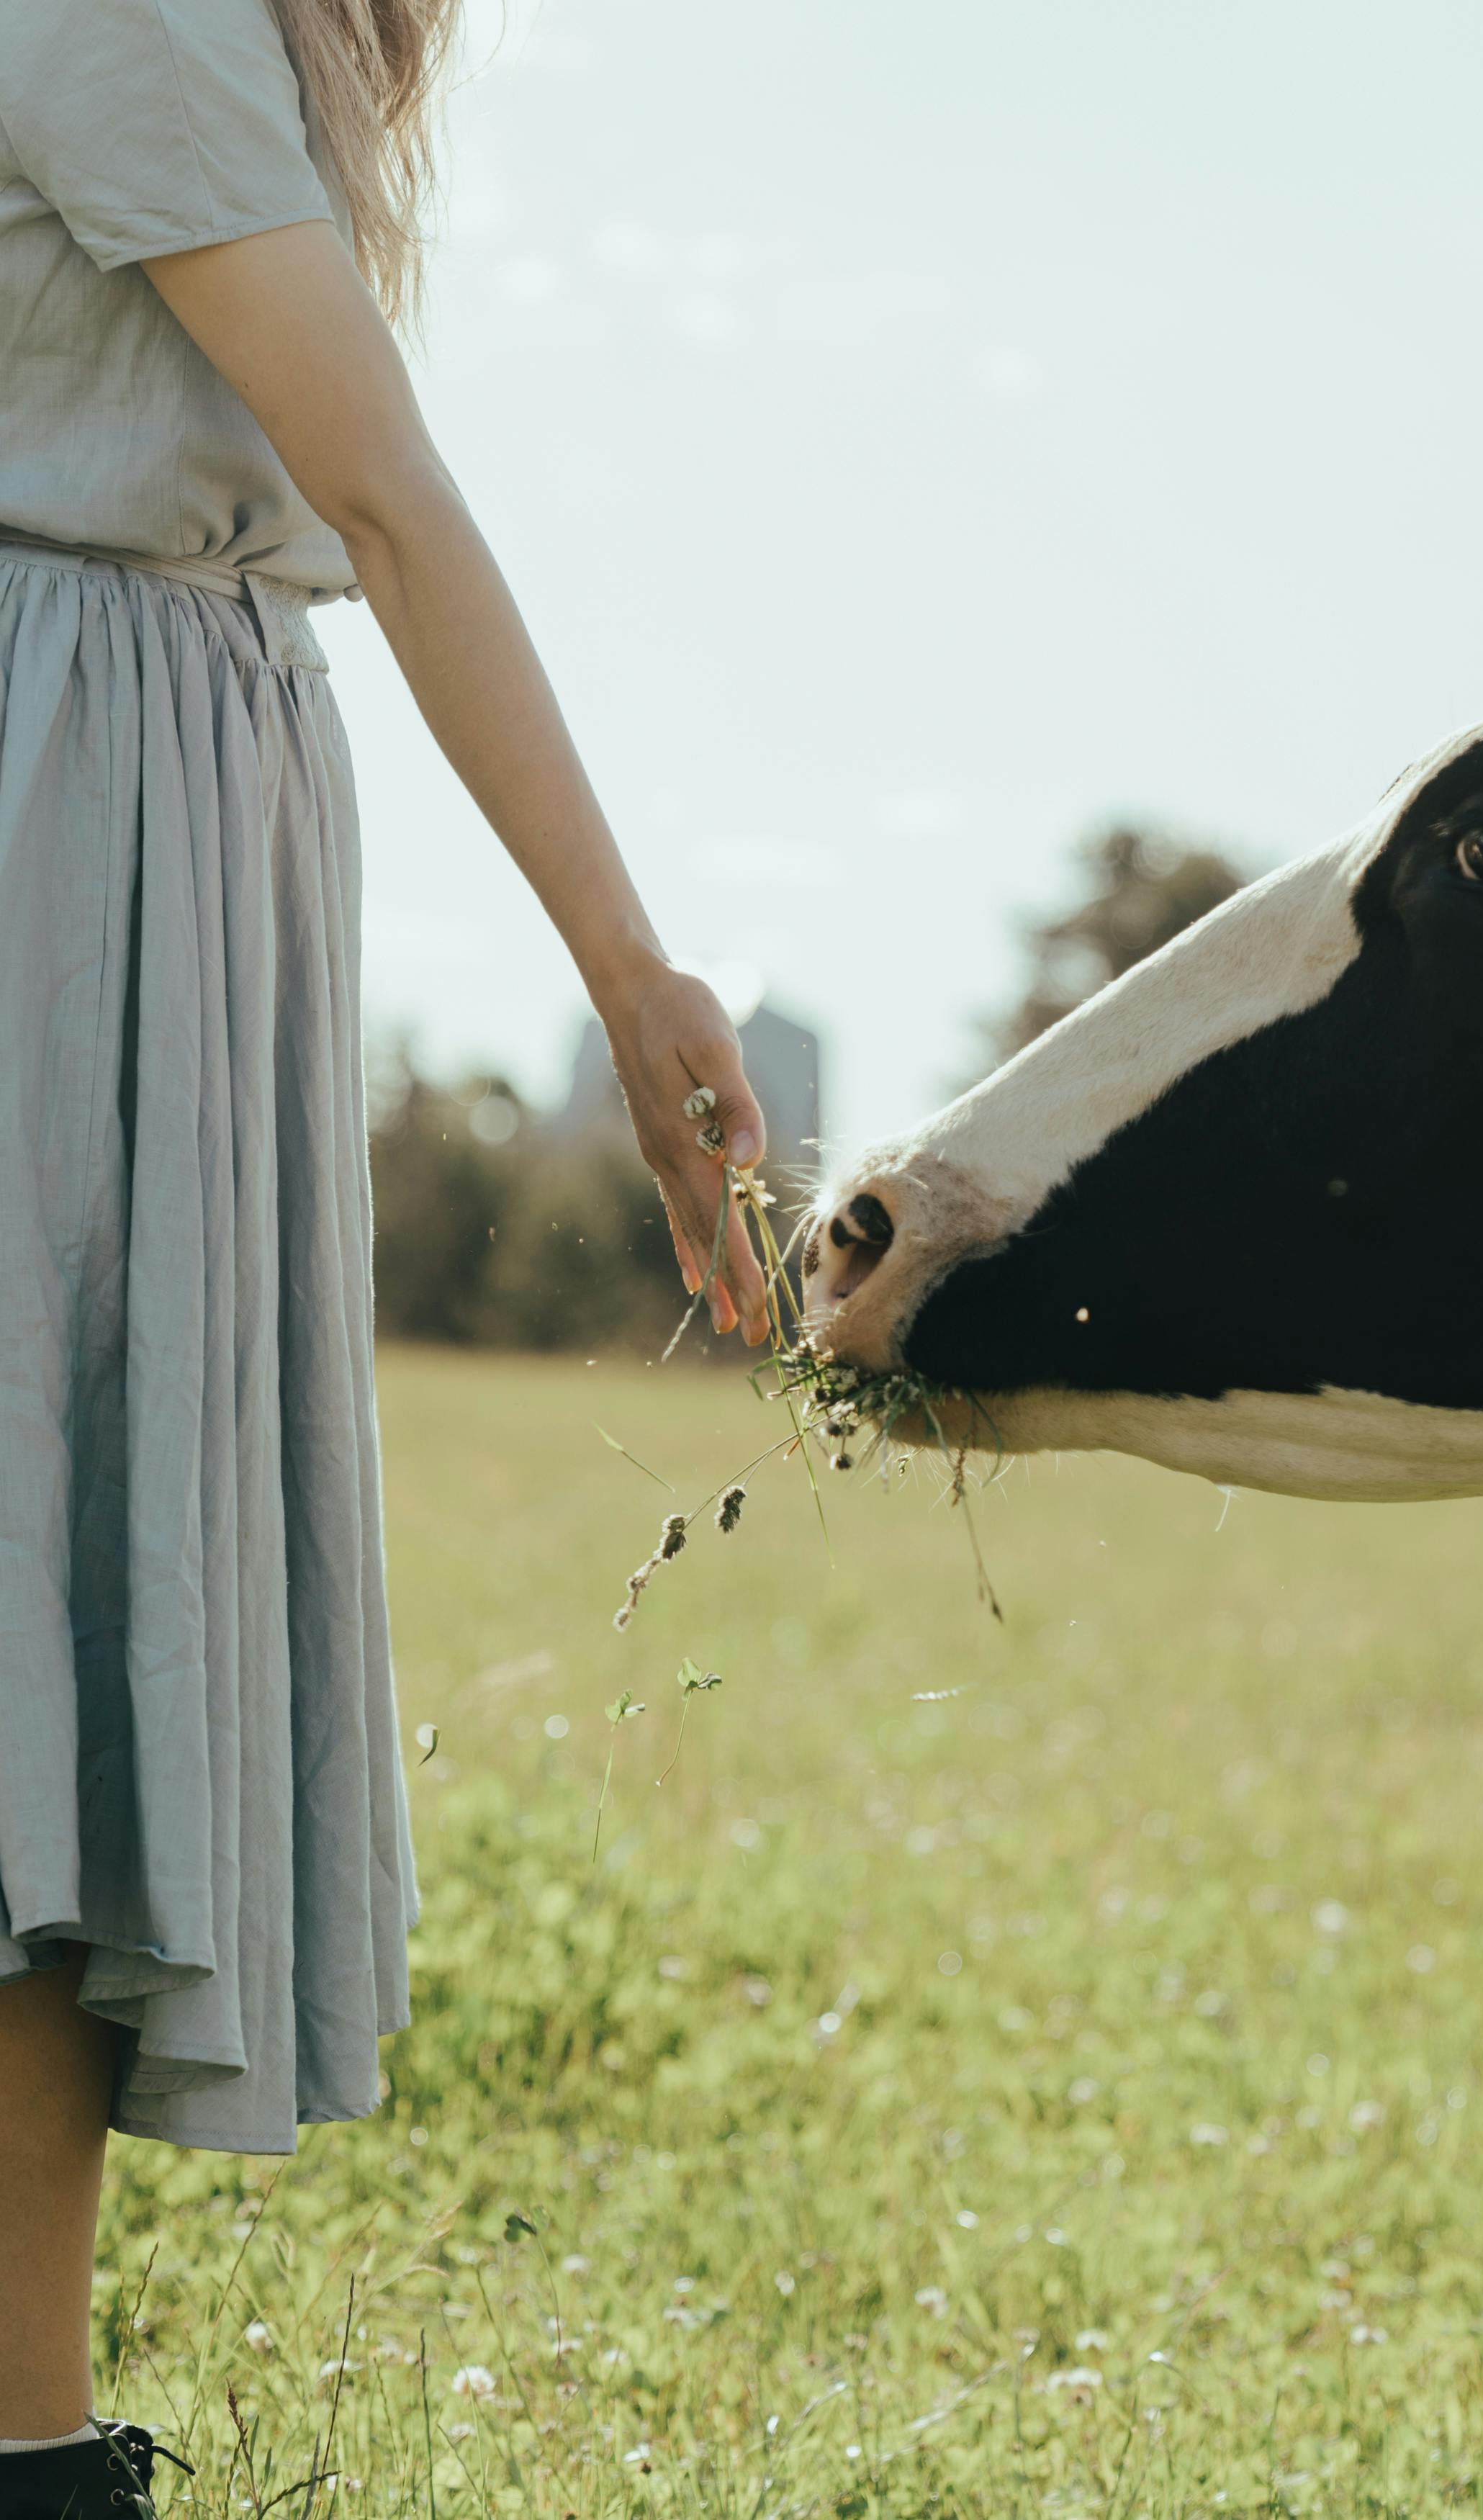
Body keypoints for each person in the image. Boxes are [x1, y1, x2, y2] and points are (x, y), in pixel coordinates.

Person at [0, 3, 770, 2509]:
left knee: (77, 1654)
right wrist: (639, 981)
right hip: (65, 800)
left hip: (173, 785)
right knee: (37, 1653)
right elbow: (396, 501)